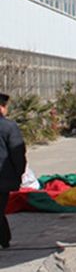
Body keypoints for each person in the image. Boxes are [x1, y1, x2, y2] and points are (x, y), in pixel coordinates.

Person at [0, 93, 26, 249]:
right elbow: (18, 154)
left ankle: (4, 238)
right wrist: (19, 173)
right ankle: (4, 239)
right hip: (3, 178)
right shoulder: (9, 127)